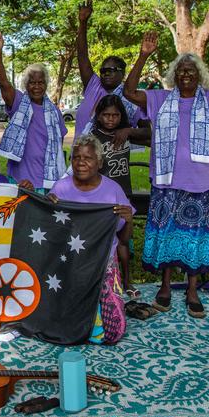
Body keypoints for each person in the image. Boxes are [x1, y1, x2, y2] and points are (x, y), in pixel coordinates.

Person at [123, 32, 209, 318]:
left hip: (202, 184)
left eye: (191, 70)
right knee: (167, 236)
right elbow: (129, 92)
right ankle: (165, 286)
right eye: (181, 70)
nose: (186, 74)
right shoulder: (160, 99)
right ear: (174, 75)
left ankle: (193, 289)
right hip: (167, 183)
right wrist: (144, 55)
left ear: (200, 76)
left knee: (197, 238)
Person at [48, 135, 134, 344]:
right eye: (76, 157)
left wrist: (128, 220)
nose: (81, 162)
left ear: (99, 162)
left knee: (112, 332)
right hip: (70, 262)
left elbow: (123, 239)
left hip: (103, 262)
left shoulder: (113, 189)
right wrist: (48, 207)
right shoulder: (61, 189)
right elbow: (50, 232)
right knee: (64, 327)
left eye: (88, 157)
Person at [0, 31, 67, 193]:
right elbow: (3, 84)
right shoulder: (19, 102)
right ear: (26, 84)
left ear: (46, 85)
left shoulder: (54, 112)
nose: (36, 87)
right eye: (32, 83)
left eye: (40, 82)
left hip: (47, 181)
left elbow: (58, 144)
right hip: (20, 178)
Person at [90, 94, 148, 299]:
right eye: (106, 115)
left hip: (124, 193)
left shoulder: (125, 134)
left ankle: (127, 281)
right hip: (101, 196)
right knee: (102, 241)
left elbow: (152, 134)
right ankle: (100, 281)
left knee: (124, 240)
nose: (111, 119)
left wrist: (129, 130)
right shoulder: (93, 138)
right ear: (98, 116)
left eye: (115, 115)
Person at [74, 0, 150, 142]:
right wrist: (83, 23)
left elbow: (147, 132)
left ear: (122, 74)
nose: (105, 74)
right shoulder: (93, 86)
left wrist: (127, 131)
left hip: (112, 161)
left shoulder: (131, 98)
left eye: (111, 70)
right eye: (103, 70)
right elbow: (82, 56)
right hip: (81, 159)